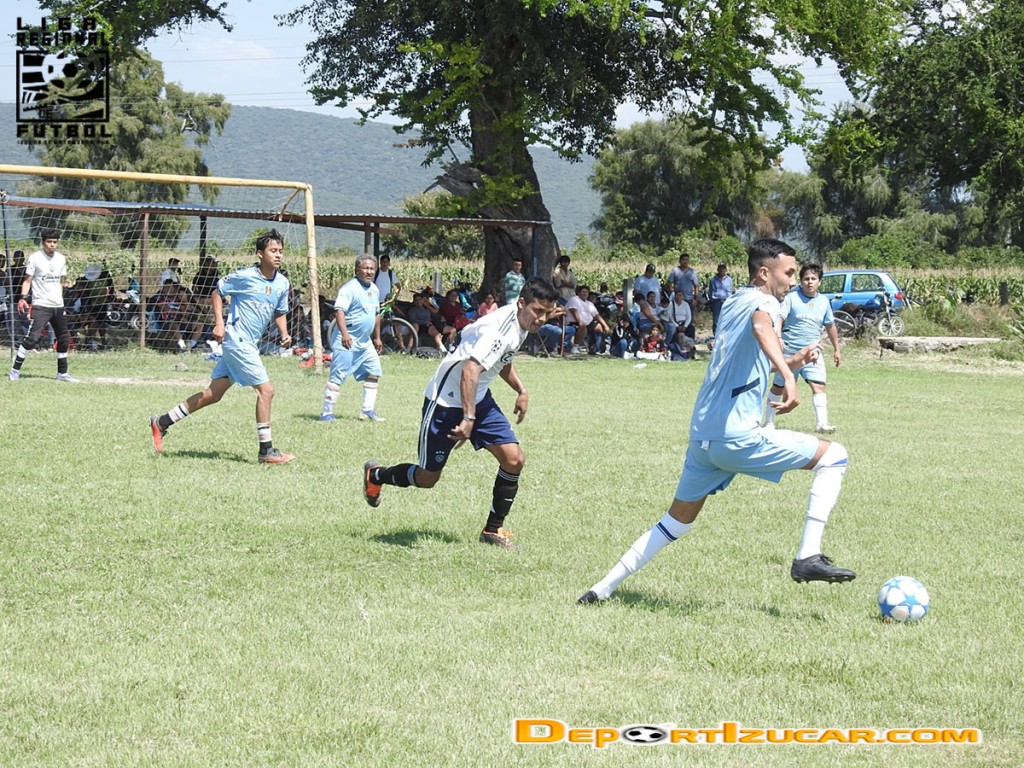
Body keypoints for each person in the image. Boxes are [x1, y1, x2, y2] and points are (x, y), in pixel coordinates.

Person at [578, 238, 855, 606]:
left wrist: (792, 363)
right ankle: (807, 556)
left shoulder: (735, 301)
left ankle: (601, 588)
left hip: (703, 437)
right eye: (788, 272)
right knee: (834, 456)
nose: (793, 280)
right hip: (735, 436)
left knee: (675, 522)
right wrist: (789, 377)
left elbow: (751, 356)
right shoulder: (766, 304)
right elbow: (762, 328)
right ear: (764, 273)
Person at [362, 277, 558, 549]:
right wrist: (468, 418)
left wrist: (521, 390)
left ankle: (492, 530)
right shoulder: (499, 329)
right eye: (538, 311)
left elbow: (502, 359)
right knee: (427, 478)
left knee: (514, 460)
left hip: (478, 398)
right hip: (445, 402)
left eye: (547, 313)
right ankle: (376, 475)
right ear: (522, 303)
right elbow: (470, 370)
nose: (542, 319)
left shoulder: (521, 322)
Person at [149, 229, 295, 464]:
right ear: (260, 254)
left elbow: (280, 311)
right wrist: (219, 323)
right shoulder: (245, 276)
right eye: (273, 251)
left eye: (280, 251)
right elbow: (218, 292)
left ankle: (162, 422)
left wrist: (284, 333)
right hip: (237, 342)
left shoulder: (282, 283)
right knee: (266, 391)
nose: (278, 255)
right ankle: (266, 450)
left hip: (249, 344)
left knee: (213, 394)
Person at [765, 262, 841, 434]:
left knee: (818, 386)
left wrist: (837, 349)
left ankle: (822, 424)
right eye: (806, 279)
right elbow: (779, 319)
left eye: (813, 278)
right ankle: (769, 422)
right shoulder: (791, 298)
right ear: (801, 281)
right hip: (789, 352)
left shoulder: (823, 302)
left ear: (820, 282)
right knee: (778, 387)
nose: (810, 282)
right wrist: (778, 337)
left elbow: (830, 326)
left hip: (813, 354)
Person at [321, 255, 385, 422]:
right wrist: (345, 334)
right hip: (347, 340)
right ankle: (326, 413)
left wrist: (377, 337)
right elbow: (339, 311)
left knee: (374, 371)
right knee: (338, 376)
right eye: (366, 268)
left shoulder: (374, 289)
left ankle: (368, 410)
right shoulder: (349, 288)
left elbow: (377, 314)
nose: (369, 272)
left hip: (365, 342)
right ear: (357, 270)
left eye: (372, 268)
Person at [8, 230, 77, 382]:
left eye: (55, 242)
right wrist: (23, 298)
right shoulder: (35, 258)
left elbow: (60, 282)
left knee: (64, 339)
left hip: (57, 306)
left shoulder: (61, 259)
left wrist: (61, 303)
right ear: (43, 242)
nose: (52, 245)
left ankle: (62, 373)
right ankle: (14, 371)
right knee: (32, 338)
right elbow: (27, 280)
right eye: (49, 242)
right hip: (41, 305)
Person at [565, 285, 611, 354]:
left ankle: (595, 348)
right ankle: (575, 346)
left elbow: (596, 315)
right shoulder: (574, 299)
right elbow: (573, 311)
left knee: (599, 327)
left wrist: (605, 325)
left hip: (589, 323)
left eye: (586, 292)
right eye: (583, 292)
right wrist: (580, 321)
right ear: (579, 292)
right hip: (574, 322)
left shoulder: (589, 303)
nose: (585, 294)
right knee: (583, 326)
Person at [667, 253, 700, 337]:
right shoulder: (675, 271)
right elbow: (669, 283)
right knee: (675, 319)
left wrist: (696, 299)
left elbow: (696, 286)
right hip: (677, 300)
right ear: (679, 261)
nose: (685, 261)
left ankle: (687, 340)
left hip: (689, 299)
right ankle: (677, 338)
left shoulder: (692, 272)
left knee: (689, 321)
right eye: (683, 260)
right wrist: (672, 293)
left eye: (686, 260)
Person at [709, 263, 734, 335]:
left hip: (727, 302)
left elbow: (731, 290)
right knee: (716, 320)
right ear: (717, 269)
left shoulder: (729, 280)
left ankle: (726, 335)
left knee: (727, 319)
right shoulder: (713, 280)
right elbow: (711, 291)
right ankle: (716, 335)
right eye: (720, 268)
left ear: (726, 270)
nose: (722, 270)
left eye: (723, 268)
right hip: (717, 301)